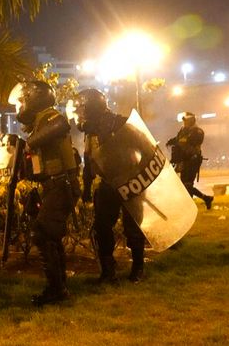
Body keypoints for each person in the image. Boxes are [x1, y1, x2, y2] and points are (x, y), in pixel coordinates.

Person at [8, 80, 81, 306]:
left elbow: (61, 125)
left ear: (34, 99)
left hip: (61, 185)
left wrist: (29, 143)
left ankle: (56, 290)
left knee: (42, 233)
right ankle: (60, 288)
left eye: (22, 101)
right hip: (54, 185)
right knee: (50, 235)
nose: (20, 106)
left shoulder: (50, 116)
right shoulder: (39, 123)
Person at [73, 89, 147, 283]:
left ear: (91, 108)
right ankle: (108, 270)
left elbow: (146, 147)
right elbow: (89, 159)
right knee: (101, 226)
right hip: (107, 185)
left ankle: (138, 267)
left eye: (82, 110)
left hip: (130, 182)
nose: (79, 115)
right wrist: (87, 187)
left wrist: (138, 175)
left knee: (133, 226)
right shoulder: (90, 131)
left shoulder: (121, 123)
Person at [166, 112, 213, 210]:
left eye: (186, 121)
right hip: (184, 160)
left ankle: (191, 206)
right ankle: (206, 199)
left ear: (191, 121)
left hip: (193, 160)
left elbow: (190, 142)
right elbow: (179, 140)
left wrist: (180, 142)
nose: (184, 123)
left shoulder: (197, 131)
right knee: (185, 184)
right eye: (184, 121)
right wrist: (171, 141)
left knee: (187, 184)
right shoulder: (183, 130)